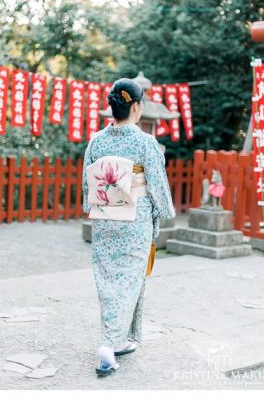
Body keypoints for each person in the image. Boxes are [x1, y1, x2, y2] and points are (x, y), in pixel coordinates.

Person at [81, 78, 175, 376]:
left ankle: (121, 339)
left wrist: (94, 208)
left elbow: (88, 184)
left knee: (109, 281)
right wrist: (167, 211)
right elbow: (158, 184)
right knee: (130, 280)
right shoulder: (145, 142)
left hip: (105, 218)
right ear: (136, 107)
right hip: (135, 220)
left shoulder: (97, 141)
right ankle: (109, 345)